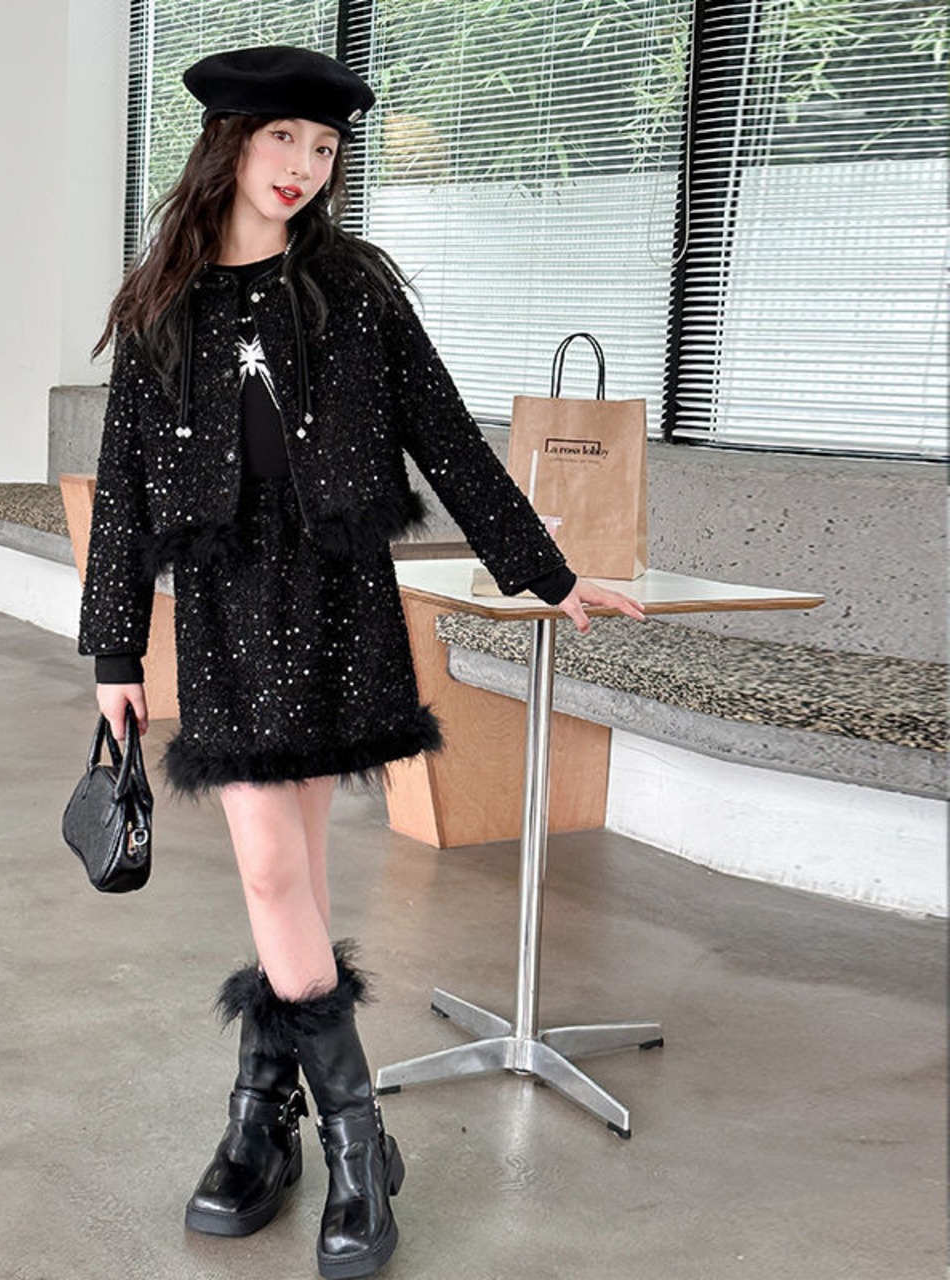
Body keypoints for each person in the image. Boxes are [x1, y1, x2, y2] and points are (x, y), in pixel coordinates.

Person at [78, 44, 646, 1280]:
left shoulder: (354, 287)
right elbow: (122, 489)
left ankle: (258, 1124)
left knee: (293, 882)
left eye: (324, 147)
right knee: (272, 872)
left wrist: (546, 573)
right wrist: (115, 647)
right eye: (282, 138)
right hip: (226, 612)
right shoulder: (162, 306)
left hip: (336, 601)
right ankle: (356, 1140)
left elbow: (444, 432)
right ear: (229, 143)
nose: (303, 165)